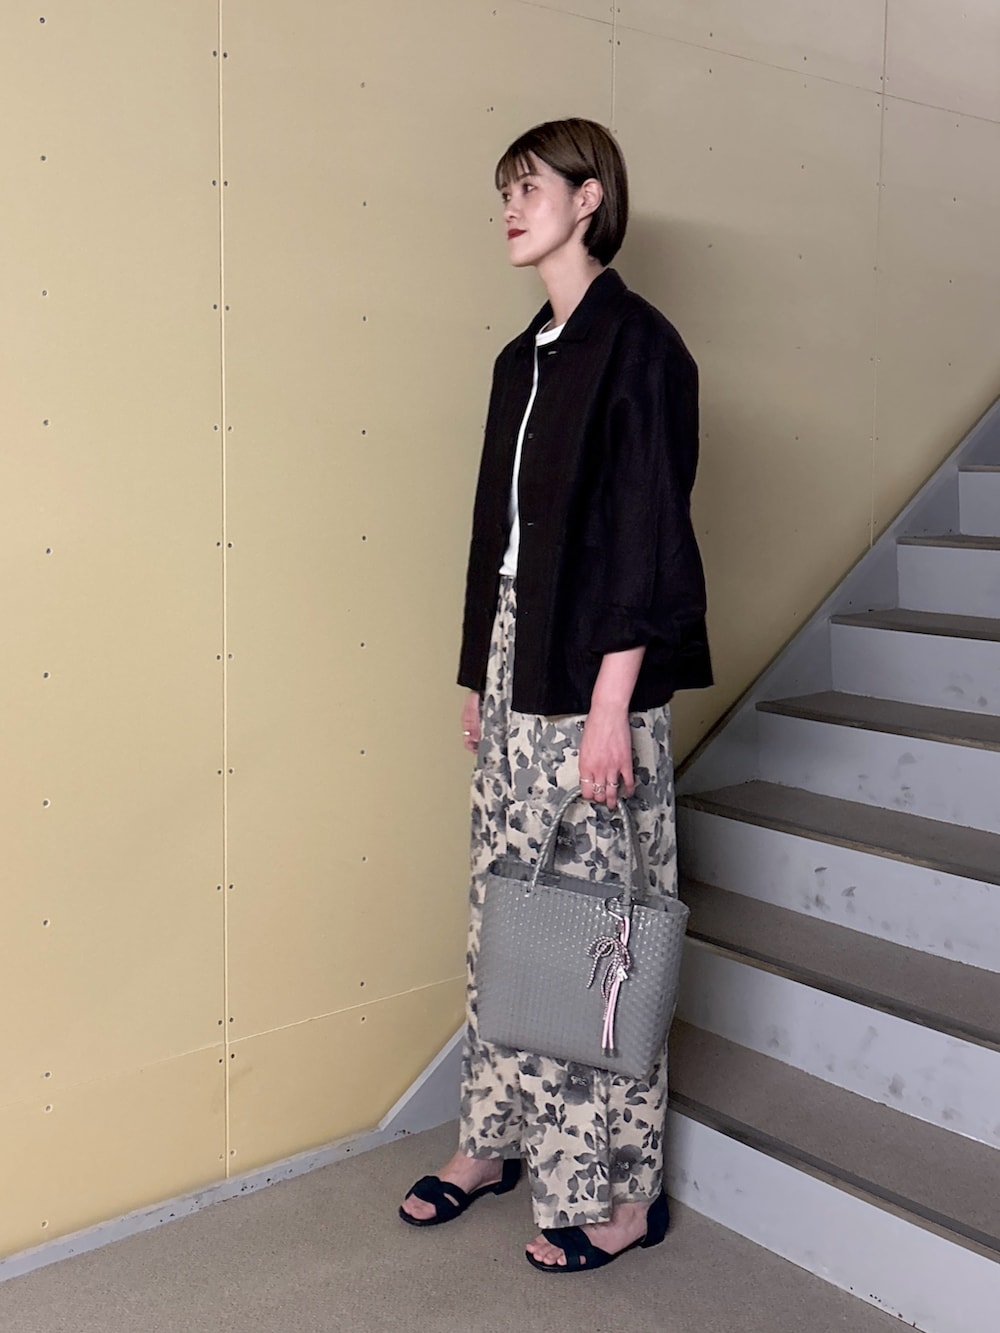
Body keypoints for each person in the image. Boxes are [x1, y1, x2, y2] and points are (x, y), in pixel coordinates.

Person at [399, 118, 711, 1272]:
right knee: (505, 910)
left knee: (594, 933)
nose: (509, 207)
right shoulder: (519, 358)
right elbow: (496, 535)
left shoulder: (643, 348)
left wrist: (609, 704)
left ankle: (621, 1196)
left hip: (597, 672)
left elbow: (648, 536)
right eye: (503, 191)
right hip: (516, 661)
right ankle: (492, 1142)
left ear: (588, 199)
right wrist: (476, 674)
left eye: (528, 188)